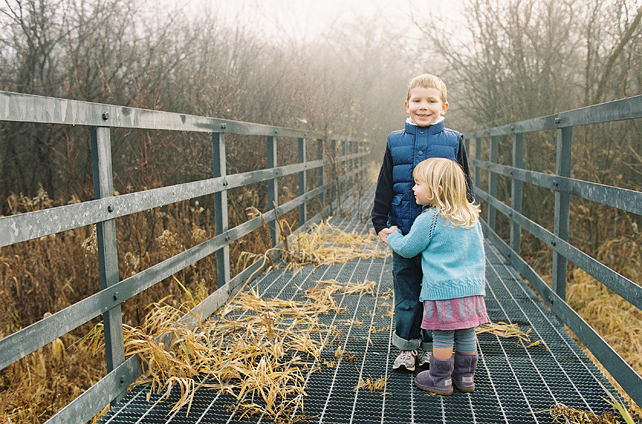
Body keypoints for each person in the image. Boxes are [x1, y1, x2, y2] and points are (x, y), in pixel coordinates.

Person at [371, 73, 473, 372]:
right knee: (406, 290)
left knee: (436, 291)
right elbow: (385, 184)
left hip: (443, 234)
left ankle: (433, 348)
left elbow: (464, 186)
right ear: (406, 104)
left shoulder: (453, 141)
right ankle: (406, 347)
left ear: (444, 107)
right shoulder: (395, 141)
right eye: (417, 100)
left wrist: (466, 219)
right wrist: (380, 223)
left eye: (431, 101)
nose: (423, 106)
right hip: (404, 229)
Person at [383, 157, 487, 395]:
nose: (413, 188)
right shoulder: (471, 216)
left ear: (437, 189)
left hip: (442, 291)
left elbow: (409, 248)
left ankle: (440, 379)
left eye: (418, 183)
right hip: (472, 289)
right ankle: (465, 377)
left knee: (442, 336)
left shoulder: (429, 220)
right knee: (467, 333)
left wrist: (392, 237)